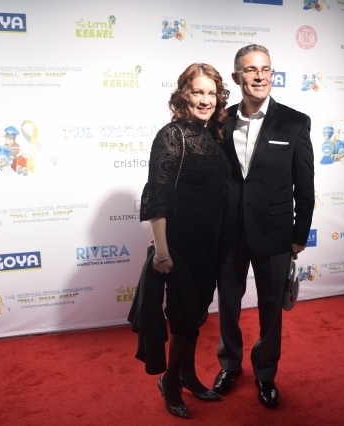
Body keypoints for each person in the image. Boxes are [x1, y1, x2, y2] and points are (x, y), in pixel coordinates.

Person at [213, 44, 315, 408]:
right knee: (228, 305)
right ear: (236, 76)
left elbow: (305, 186)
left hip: (274, 232)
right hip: (228, 232)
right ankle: (229, 364)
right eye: (251, 70)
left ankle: (266, 373)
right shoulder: (219, 121)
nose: (260, 76)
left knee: (271, 308)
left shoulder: (294, 122)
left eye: (266, 69)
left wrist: (300, 235)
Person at [128, 63, 231, 419]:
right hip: (181, 244)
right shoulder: (173, 136)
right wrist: (162, 251)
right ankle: (169, 381)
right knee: (186, 317)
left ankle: (186, 373)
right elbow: (158, 196)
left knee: (198, 312)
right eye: (197, 92)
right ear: (183, 95)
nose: (205, 100)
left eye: (211, 93)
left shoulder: (212, 135)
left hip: (209, 242)